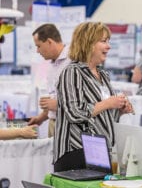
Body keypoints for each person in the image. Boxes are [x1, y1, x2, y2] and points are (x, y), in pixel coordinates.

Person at [54, 21, 133, 172]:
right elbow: (74, 113)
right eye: (103, 41)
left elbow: (103, 117)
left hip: (100, 152)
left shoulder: (103, 74)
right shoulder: (72, 72)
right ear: (88, 43)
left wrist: (119, 109)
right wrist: (109, 103)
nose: (108, 46)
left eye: (108, 41)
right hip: (76, 152)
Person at [28, 23, 71, 137]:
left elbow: (83, 102)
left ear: (50, 42)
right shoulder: (52, 64)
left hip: (68, 127)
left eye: (39, 46)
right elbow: (54, 99)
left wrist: (57, 105)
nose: (37, 51)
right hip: (54, 124)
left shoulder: (73, 62)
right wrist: (41, 118)